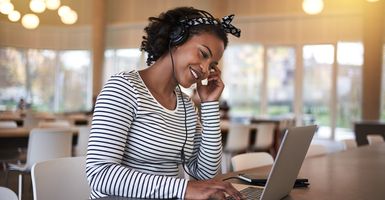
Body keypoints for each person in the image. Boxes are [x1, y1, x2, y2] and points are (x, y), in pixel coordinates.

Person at [86, 7, 241, 199]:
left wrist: (209, 104)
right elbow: (100, 174)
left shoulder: (186, 106)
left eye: (212, 65)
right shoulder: (123, 88)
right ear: (176, 39)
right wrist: (183, 189)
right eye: (203, 54)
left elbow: (205, 174)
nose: (204, 69)